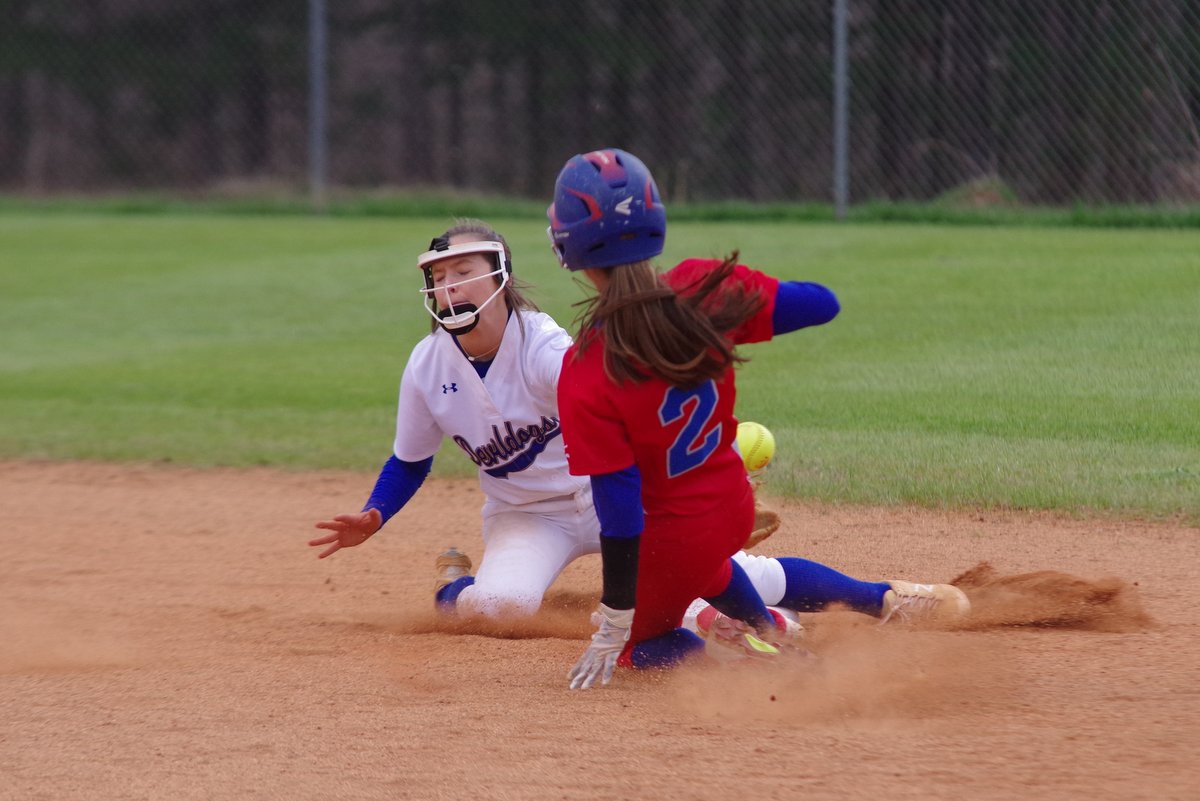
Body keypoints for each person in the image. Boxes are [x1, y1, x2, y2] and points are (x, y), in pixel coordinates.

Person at [307, 219, 968, 652]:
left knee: (730, 576)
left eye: (463, 269)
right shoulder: (426, 368)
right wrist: (374, 513)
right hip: (526, 516)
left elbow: (636, 420)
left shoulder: (547, 349)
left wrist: (698, 485)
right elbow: (409, 460)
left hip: (607, 493)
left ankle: (884, 598)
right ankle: (454, 584)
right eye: (439, 275)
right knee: (500, 609)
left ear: (500, 275)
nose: (449, 284)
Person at [548, 148, 968, 689]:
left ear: (570, 245)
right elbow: (822, 304)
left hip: (672, 538)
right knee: (713, 568)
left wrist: (617, 617)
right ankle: (770, 626)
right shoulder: (702, 289)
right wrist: (740, 301)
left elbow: (621, 513)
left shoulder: (585, 366)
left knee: (641, 646)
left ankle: (765, 662)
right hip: (733, 506)